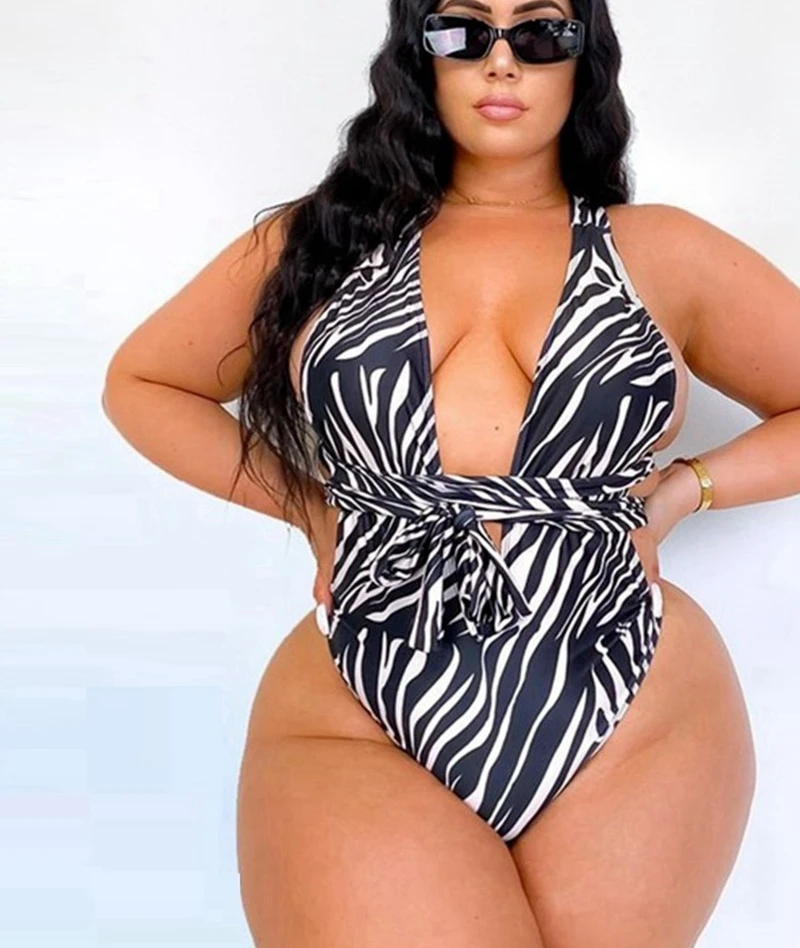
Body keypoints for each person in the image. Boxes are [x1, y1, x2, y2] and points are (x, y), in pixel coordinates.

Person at [101, 1, 800, 945]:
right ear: (418, 55)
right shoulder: (323, 241)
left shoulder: (664, 249)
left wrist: (686, 489)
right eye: (463, 31)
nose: (501, 61)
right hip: (361, 686)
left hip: (630, 687)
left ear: (584, 59)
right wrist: (310, 510)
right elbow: (144, 384)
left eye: (540, 33)